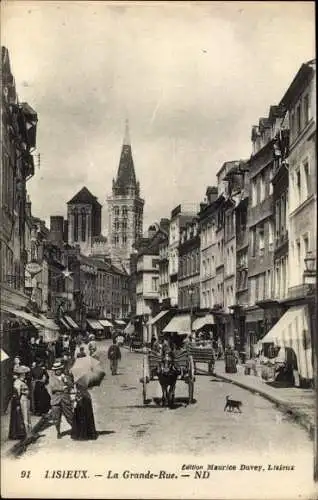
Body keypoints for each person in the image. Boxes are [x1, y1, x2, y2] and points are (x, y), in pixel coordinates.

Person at [48, 361, 74, 439]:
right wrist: (62, 388)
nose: (58, 371)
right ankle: (58, 432)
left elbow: (71, 385)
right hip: (56, 400)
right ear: (54, 371)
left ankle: (75, 429)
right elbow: (52, 388)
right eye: (56, 370)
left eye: (59, 369)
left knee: (69, 415)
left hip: (65, 399)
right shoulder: (52, 378)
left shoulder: (65, 377)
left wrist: (66, 381)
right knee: (56, 418)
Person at [9, 365, 32, 440]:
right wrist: (18, 403)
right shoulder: (17, 382)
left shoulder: (23, 381)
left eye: (25, 373)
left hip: (26, 398)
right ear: (20, 375)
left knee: (27, 415)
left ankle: (28, 432)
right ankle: (26, 433)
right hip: (22, 399)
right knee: (24, 415)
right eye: (23, 374)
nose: (24, 375)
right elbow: (17, 393)